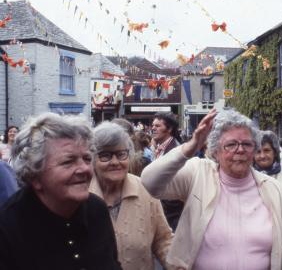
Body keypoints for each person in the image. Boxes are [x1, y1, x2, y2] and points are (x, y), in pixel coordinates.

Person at [141, 108, 282, 270]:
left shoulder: (272, 187)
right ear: (216, 151)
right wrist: (190, 147)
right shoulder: (198, 172)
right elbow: (149, 181)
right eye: (231, 144)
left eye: (247, 144)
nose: (240, 149)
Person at [0, 112, 121, 270]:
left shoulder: (96, 209)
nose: (84, 168)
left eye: (86, 158)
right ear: (34, 175)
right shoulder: (7, 227)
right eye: (68, 161)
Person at [89, 121, 173, 270]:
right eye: (105, 155)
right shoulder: (81, 195)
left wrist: (177, 265)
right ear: (92, 159)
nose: (115, 162)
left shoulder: (145, 190)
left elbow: (163, 240)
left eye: (121, 154)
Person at [254, 130, 282, 220]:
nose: (262, 155)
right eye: (258, 151)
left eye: (267, 150)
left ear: (275, 153)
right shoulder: (246, 179)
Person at [151, 112, 183, 232]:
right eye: (153, 125)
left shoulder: (175, 151)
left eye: (158, 126)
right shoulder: (162, 147)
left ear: (169, 129)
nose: (153, 128)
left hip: (171, 215)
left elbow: (176, 186)